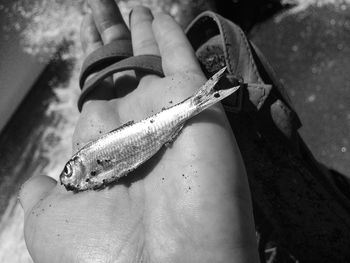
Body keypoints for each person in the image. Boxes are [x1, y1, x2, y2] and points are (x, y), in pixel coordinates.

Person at [18, 0, 259, 262]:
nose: (67, 178)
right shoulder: (89, 177)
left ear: (79, 166)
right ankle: (199, 100)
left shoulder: (88, 168)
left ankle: (198, 101)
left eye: (68, 171)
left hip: (151, 133)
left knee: (189, 103)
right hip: (154, 137)